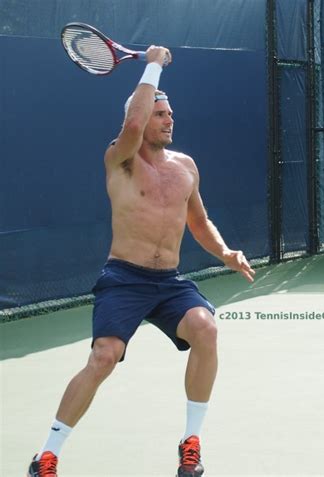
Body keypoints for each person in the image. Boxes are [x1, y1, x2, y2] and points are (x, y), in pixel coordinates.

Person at [27, 45, 255, 477]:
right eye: (160, 114)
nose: (169, 120)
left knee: (206, 328)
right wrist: (153, 63)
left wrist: (224, 251)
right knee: (104, 358)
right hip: (124, 279)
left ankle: (191, 444)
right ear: (140, 116)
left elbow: (199, 220)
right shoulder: (121, 158)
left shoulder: (186, 166)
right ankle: (47, 456)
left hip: (168, 282)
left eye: (170, 115)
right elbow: (133, 121)